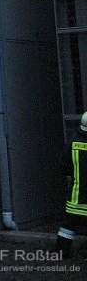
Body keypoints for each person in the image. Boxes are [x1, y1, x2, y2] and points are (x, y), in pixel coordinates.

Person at [56, 111, 87, 259]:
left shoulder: (73, 142)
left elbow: (63, 163)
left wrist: (70, 176)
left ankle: (61, 253)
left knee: (68, 227)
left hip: (76, 195)